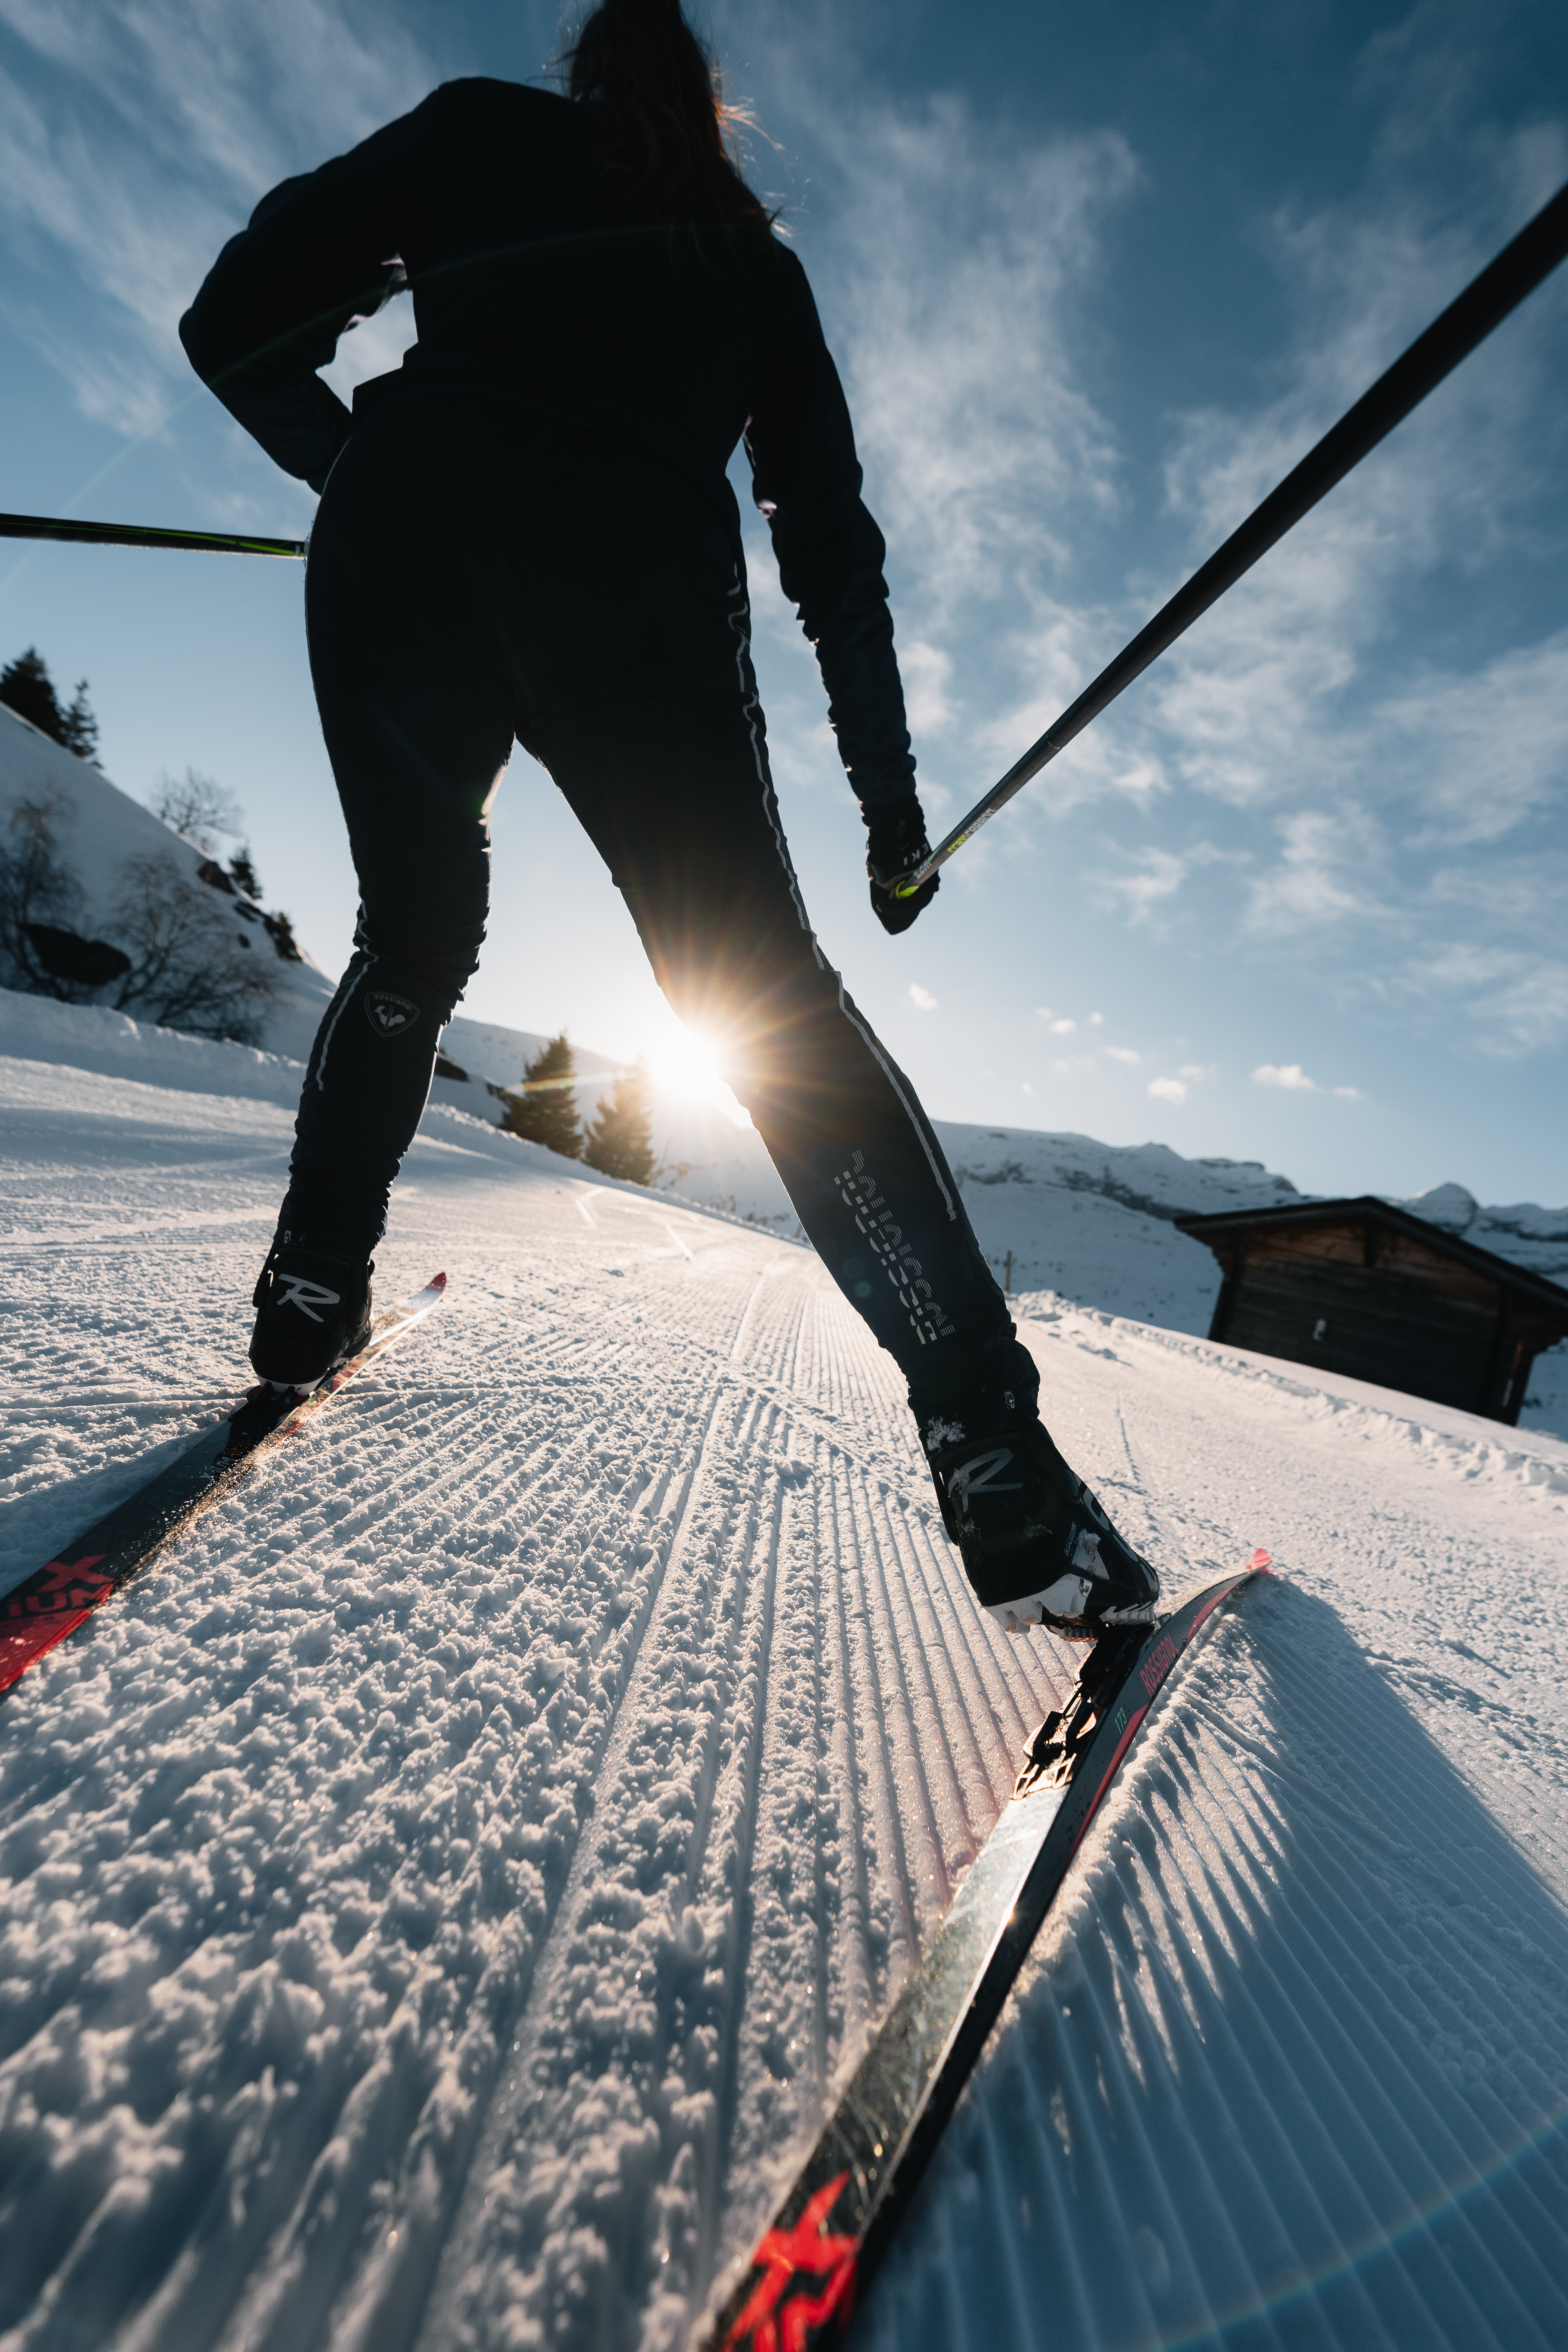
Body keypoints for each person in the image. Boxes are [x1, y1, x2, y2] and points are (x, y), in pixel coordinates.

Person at [178, 0, 1158, 1640]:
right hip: (629, 582)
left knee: (414, 932)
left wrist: (356, 463)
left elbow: (237, 326)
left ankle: (304, 1298)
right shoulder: (748, 265)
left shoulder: (475, 134)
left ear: (584, 71)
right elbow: (830, 557)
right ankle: (993, 1459)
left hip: (400, 546)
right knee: (762, 995)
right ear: (712, 118)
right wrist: (890, 813)